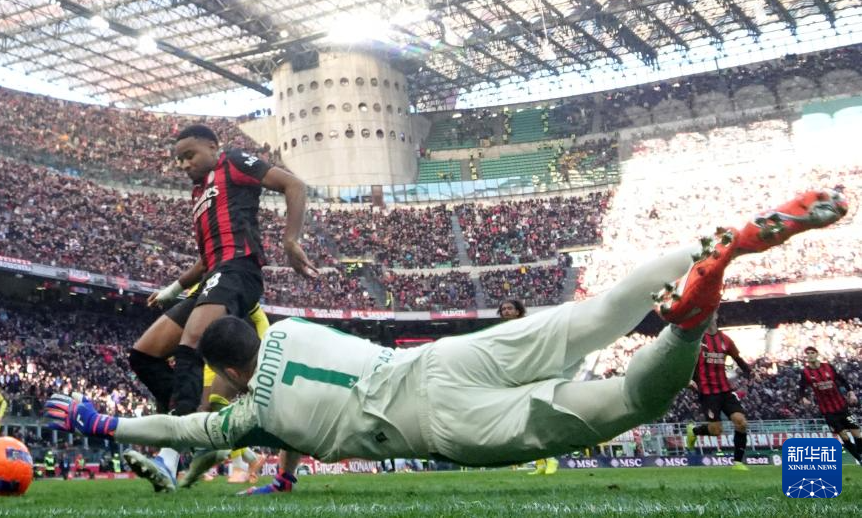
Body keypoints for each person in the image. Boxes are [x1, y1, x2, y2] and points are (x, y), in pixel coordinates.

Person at [45, 189, 848, 480]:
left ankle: (692, 316)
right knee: (596, 315)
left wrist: (106, 422)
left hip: (439, 422)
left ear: (226, 374)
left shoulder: (252, 415)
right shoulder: (292, 327)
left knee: (625, 402)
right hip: (441, 361)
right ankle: (714, 245)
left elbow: (186, 430)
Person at [125, 124, 315, 491]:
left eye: (189, 155)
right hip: (213, 276)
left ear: (213, 147)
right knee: (144, 356)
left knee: (192, 343)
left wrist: (291, 240)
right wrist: (172, 290)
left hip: (239, 271)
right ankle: (200, 428)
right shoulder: (199, 194)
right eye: (178, 160)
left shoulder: (233, 162)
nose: (184, 164)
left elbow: (294, 184)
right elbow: (205, 259)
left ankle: (169, 457)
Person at [683, 313, 753, 470]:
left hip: (725, 390)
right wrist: (688, 380)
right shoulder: (696, 340)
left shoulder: (725, 340)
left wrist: (750, 372)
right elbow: (686, 362)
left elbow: (738, 359)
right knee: (716, 431)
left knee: (741, 422)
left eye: (712, 312)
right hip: (708, 393)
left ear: (716, 316)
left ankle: (738, 463)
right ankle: (694, 431)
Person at [496, 299, 557, 476]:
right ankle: (540, 462)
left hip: (530, 373)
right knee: (524, 421)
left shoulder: (528, 326)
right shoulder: (501, 330)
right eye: (503, 309)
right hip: (514, 375)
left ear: (518, 311)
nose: (506, 311)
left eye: (510, 308)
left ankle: (551, 458)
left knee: (536, 417)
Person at [799, 346, 861, 464]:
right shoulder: (805, 372)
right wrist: (803, 398)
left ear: (817, 354)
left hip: (843, 407)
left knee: (857, 434)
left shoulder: (828, 367)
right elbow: (801, 388)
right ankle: (859, 458)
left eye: (812, 352)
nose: (810, 355)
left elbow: (842, 379)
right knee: (844, 436)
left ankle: (860, 453)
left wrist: (851, 392)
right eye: (808, 353)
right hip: (828, 412)